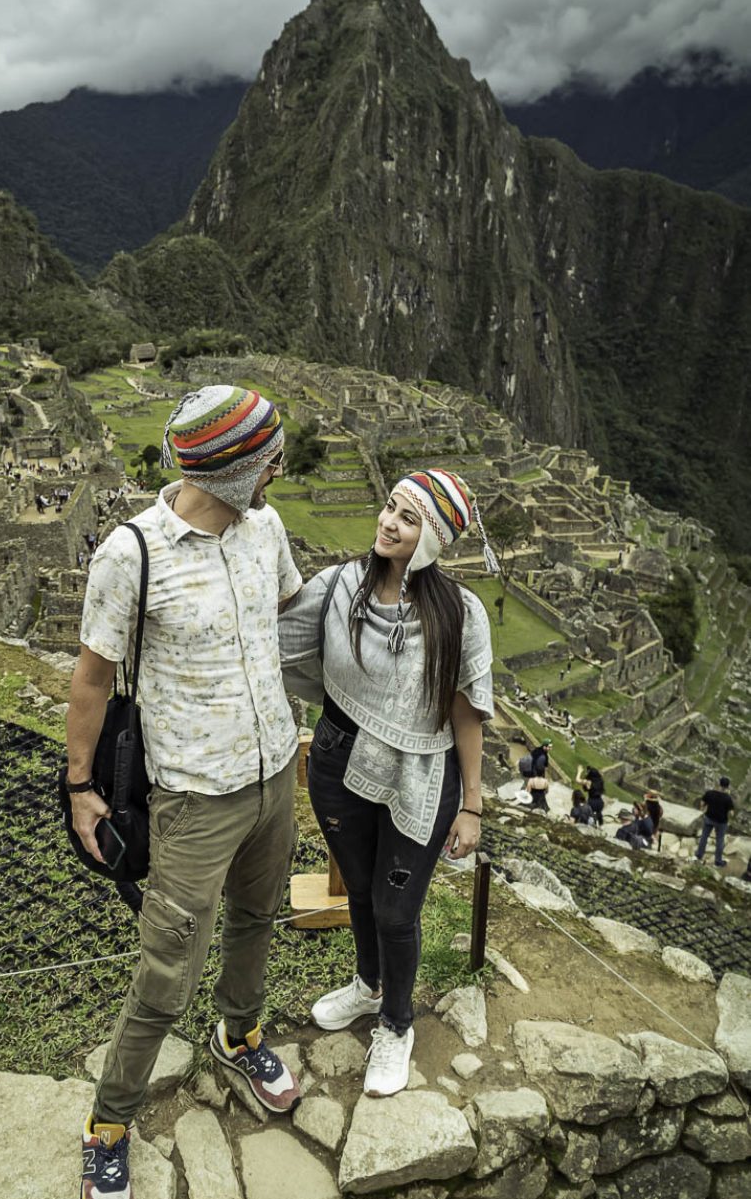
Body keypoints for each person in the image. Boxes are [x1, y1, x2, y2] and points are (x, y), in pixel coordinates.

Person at [66, 386, 303, 1199]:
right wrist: (78, 787)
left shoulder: (264, 527)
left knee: (257, 920)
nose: (280, 467)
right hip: (195, 796)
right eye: (268, 456)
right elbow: (92, 681)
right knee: (167, 969)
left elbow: (282, 620)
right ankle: (109, 1122)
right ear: (233, 468)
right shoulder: (133, 554)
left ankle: (241, 1037)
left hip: (275, 773)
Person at [280, 469, 495, 1098]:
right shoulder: (342, 584)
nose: (387, 521)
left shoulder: (460, 614)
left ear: (430, 537)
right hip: (338, 761)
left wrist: (473, 806)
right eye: (388, 507)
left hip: (421, 775)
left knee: (398, 908)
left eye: (406, 516)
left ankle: (397, 1026)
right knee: (364, 896)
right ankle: (368, 987)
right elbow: (280, 635)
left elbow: (465, 710)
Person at [695, 776, 735, 868]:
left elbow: (702, 803)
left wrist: (703, 809)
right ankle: (718, 861)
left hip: (709, 818)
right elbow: (731, 813)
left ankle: (699, 855)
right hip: (721, 822)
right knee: (720, 840)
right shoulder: (727, 798)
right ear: (727, 787)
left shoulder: (710, 793)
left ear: (719, 784)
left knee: (704, 836)